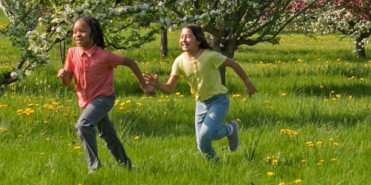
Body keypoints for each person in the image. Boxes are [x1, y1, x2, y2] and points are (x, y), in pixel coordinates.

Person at [144, 24, 257, 161]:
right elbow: (169, 88)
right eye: (181, 37)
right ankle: (217, 167)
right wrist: (158, 84)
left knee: (206, 135)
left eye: (188, 36)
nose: (183, 40)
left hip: (218, 101)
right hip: (201, 104)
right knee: (202, 145)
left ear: (198, 40)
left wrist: (248, 83)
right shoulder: (179, 61)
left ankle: (230, 129)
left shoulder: (210, 56)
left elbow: (233, 64)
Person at [58, 16, 155, 173]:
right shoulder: (72, 53)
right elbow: (68, 81)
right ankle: (127, 167)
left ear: (93, 34)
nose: (77, 35)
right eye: (74, 32)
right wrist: (64, 76)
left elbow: (131, 62)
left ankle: (94, 168)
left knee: (83, 125)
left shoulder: (104, 56)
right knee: (108, 135)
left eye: (82, 31)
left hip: (104, 98)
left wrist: (143, 85)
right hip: (86, 101)